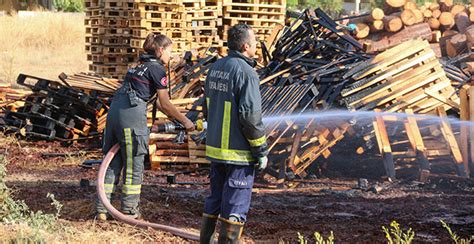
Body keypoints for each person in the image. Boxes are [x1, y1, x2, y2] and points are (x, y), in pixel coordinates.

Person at [96, 33, 195, 221]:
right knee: (134, 163)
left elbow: (156, 103)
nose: (171, 56)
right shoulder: (157, 69)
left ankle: (102, 210)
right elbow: (164, 103)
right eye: (169, 51)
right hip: (131, 117)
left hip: (114, 114)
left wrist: (176, 120)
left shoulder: (137, 67)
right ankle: (129, 211)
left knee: (112, 162)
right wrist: (186, 122)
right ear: (160, 50)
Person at [200, 24, 269, 243]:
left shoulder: (216, 67)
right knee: (235, 206)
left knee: (215, 199)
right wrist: (260, 149)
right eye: (255, 41)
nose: (257, 44)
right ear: (246, 45)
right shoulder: (246, 73)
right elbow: (250, 116)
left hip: (216, 150)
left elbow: (206, 107)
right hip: (238, 153)